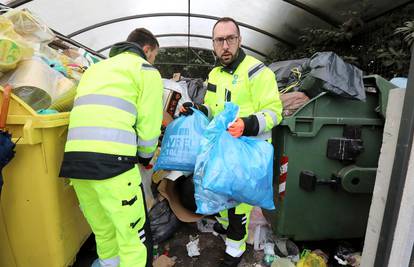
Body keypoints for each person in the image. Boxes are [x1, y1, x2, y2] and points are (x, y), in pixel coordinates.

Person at [180, 17, 283, 266]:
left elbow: (274, 111)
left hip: (248, 149)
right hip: (225, 149)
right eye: (219, 40)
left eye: (230, 39)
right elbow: (214, 108)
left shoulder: (258, 72)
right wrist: (197, 109)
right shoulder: (215, 73)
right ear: (213, 44)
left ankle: (235, 251)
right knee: (221, 196)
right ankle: (228, 232)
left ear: (239, 40)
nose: (225, 45)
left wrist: (247, 124)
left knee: (239, 206)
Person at [59, 28, 163, 267]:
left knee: (104, 233)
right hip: (112, 166)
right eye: (154, 55)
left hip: (75, 164)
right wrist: (146, 157)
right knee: (132, 239)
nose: (153, 60)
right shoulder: (145, 70)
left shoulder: (94, 69)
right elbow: (148, 130)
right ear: (146, 50)